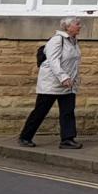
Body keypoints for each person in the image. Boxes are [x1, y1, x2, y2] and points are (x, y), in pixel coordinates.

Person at [19, 17, 84, 149]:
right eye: (77, 24)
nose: (80, 26)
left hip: (68, 85)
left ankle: (67, 139)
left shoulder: (73, 42)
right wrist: (63, 77)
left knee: (68, 112)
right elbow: (53, 61)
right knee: (40, 111)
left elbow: (73, 63)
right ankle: (25, 137)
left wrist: (74, 80)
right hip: (51, 84)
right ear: (68, 27)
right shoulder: (56, 40)